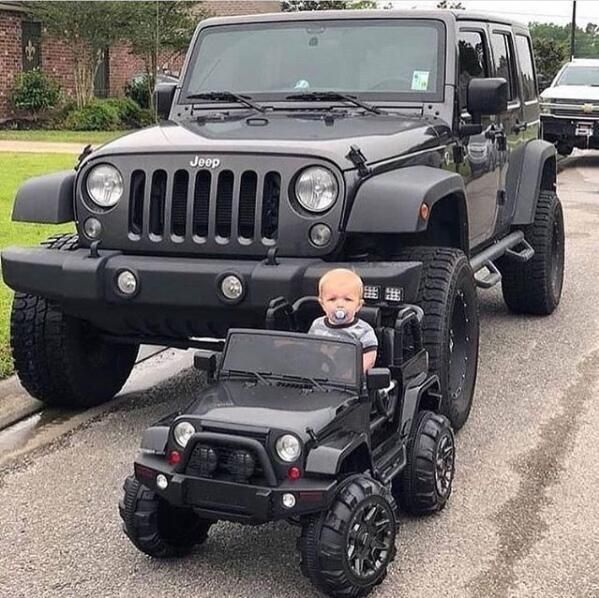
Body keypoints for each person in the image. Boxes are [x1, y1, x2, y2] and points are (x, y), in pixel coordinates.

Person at [309, 268, 378, 371]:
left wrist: (354, 376)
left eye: (347, 299)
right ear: (322, 304)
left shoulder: (364, 331)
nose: (340, 305)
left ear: (358, 305)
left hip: (349, 382)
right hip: (319, 379)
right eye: (332, 299)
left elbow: (368, 361)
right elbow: (309, 352)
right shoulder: (317, 325)